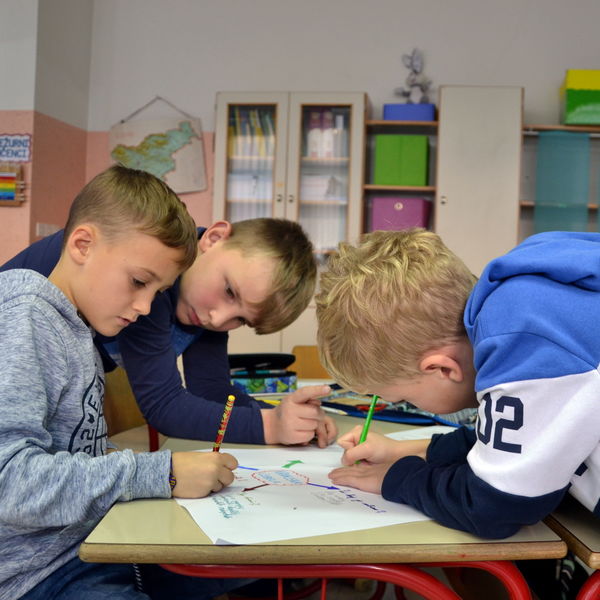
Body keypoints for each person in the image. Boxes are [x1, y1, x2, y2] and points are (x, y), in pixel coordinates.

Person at [0, 165, 247, 599]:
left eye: (157, 292)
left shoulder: (77, 328)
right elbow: (9, 483)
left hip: (92, 540)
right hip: (36, 574)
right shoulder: (27, 316)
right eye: (138, 282)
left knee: (242, 559)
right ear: (83, 244)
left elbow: (73, 452)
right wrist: (162, 474)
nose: (145, 307)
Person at [317, 228, 600, 544]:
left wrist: (398, 478)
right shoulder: (522, 300)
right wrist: (408, 450)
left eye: (405, 399)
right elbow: (527, 433)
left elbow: (495, 507)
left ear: (442, 369)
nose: (409, 406)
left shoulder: (524, 336)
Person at [1, 209, 336, 448]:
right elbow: (164, 407)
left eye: (242, 320)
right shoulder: (154, 277)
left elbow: (212, 392)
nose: (218, 319)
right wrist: (271, 427)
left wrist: (288, 418)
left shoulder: (200, 300)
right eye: (230, 291)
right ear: (214, 238)